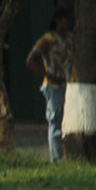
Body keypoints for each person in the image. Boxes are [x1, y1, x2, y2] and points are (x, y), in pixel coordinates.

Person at [25, 10, 74, 163]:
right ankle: (56, 160)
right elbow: (30, 60)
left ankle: (67, 156)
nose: (68, 22)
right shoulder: (47, 39)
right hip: (54, 87)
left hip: (70, 87)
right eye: (65, 19)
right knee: (56, 122)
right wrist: (49, 76)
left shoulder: (71, 38)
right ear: (58, 21)